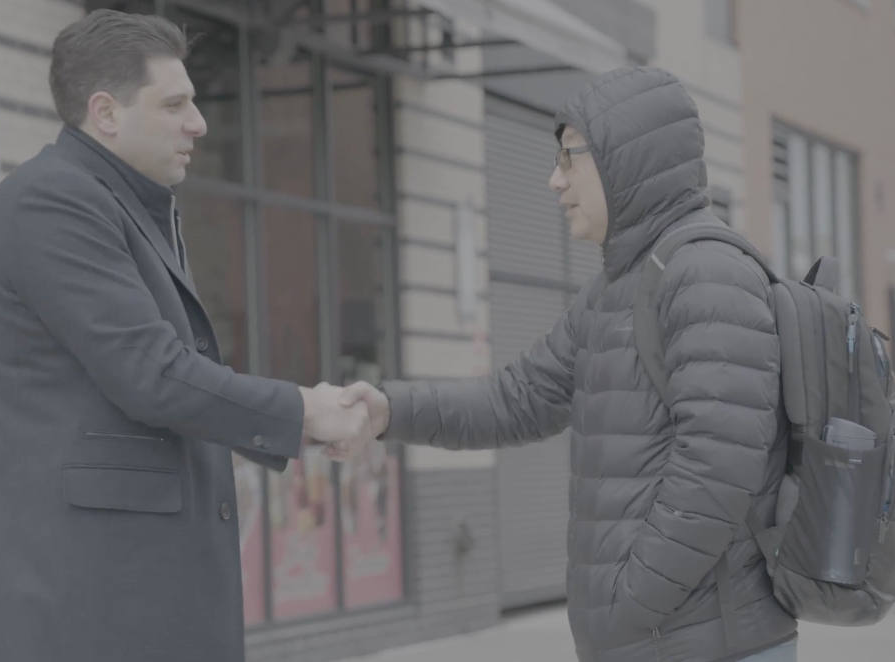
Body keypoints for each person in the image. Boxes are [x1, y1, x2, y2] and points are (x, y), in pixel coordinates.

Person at [0, 10, 371, 662]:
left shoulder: (127, 204)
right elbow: (152, 373)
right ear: (105, 113)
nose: (199, 122)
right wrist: (305, 409)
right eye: (176, 103)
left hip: (112, 603)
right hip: (74, 609)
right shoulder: (52, 200)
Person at [338, 66, 799, 662]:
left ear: (625, 159)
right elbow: (518, 398)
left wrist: (630, 604)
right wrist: (387, 409)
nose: (554, 181)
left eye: (568, 158)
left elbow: (717, 471)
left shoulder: (708, 274)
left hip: (705, 644)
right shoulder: (618, 290)